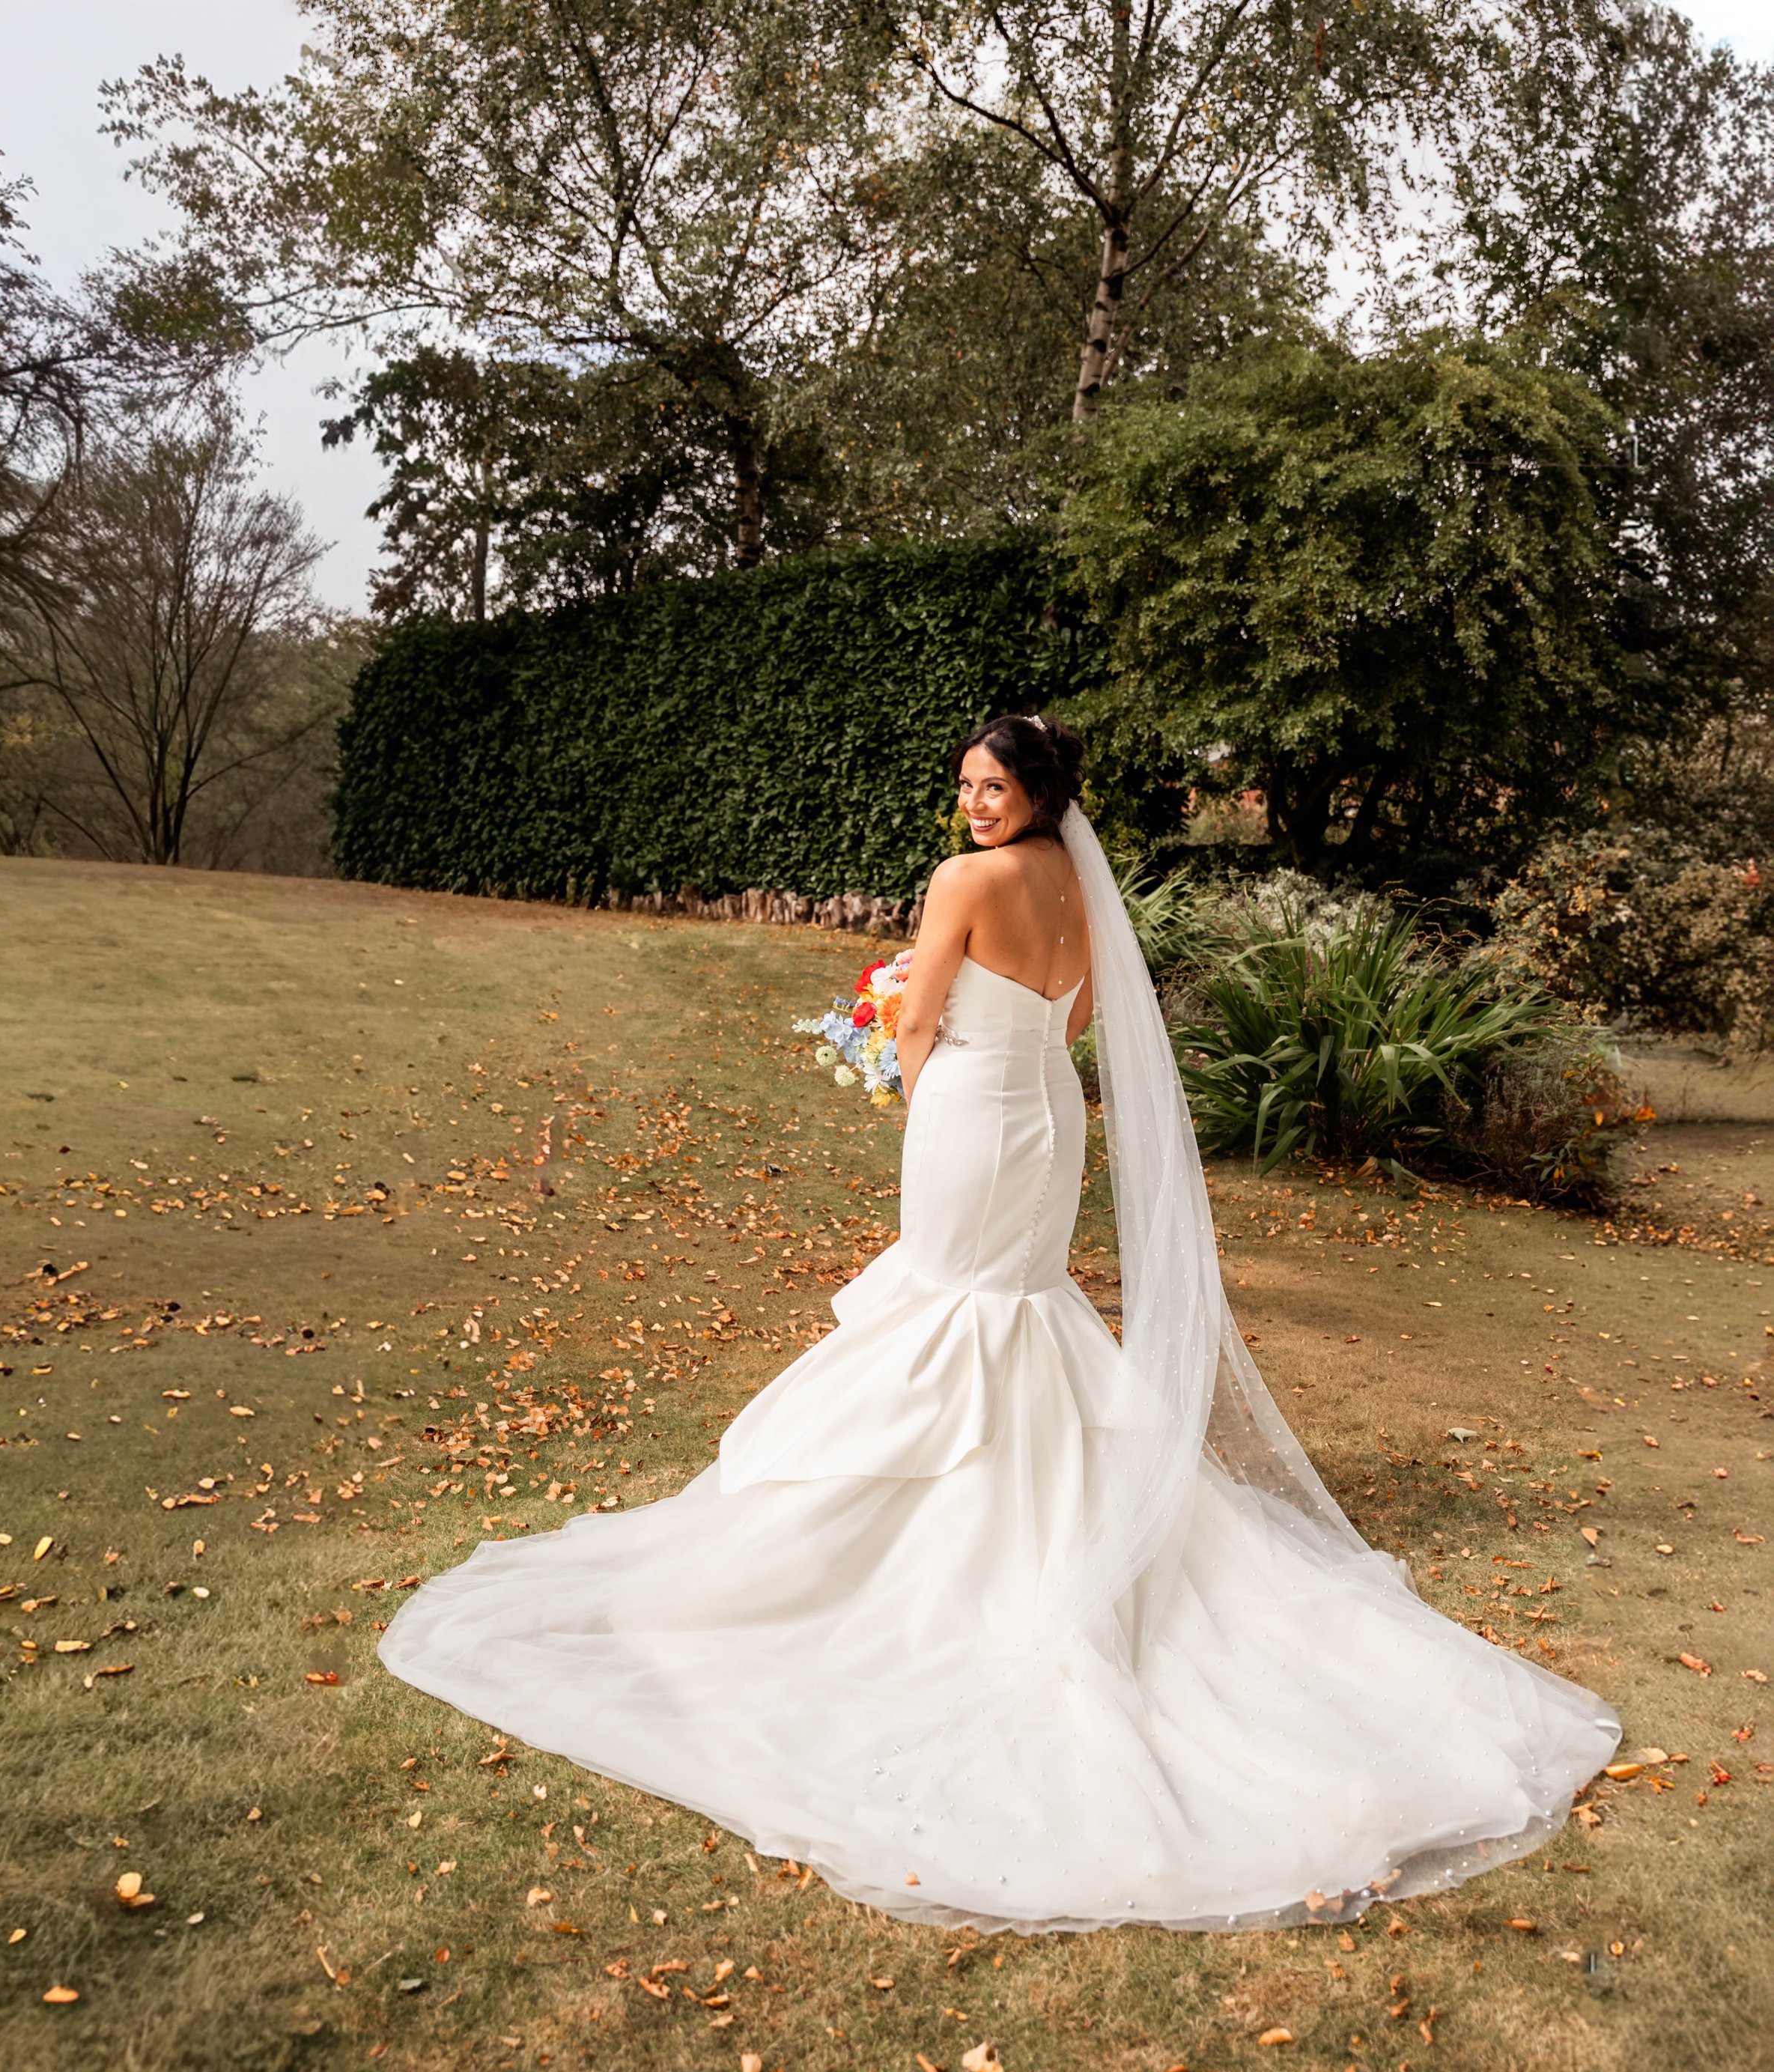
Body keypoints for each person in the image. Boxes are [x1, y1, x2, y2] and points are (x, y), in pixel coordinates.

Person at [380, 713, 1620, 1933]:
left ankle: (903, 1544)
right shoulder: (1081, 879)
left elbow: (918, 1017)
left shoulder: (963, 880)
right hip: (1046, 1113)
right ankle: (1034, 1514)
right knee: (1016, 1306)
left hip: (973, 1112)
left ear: (1035, 788)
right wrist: (994, 1052)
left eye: (993, 785)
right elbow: (1076, 1020)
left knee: (952, 1303)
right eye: (967, 786)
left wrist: (917, 1085)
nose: (975, 802)